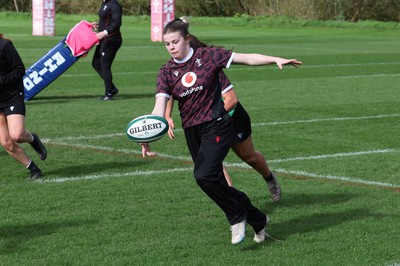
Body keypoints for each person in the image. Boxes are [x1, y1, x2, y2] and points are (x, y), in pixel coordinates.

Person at [141, 18, 301, 245]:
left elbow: (246, 58)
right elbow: (159, 109)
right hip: (192, 130)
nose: (171, 47)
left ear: (187, 39)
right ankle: (258, 219)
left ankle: (236, 218)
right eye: (167, 44)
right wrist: (147, 136)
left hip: (217, 123)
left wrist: (274, 59)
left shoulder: (208, 57)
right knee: (209, 179)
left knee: (203, 174)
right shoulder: (167, 72)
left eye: (175, 42)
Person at [165, 71, 282, 202]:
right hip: (206, 125)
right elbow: (170, 89)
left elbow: (231, 100)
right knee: (213, 164)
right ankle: (235, 204)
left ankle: (270, 179)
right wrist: (167, 115)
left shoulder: (209, 67)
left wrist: (212, 118)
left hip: (232, 118)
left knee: (249, 157)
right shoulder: (177, 69)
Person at [0, 34, 47, 180]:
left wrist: (1, 80)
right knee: (7, 142)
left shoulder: (4, 46)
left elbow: (20, 70)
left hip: (12, 96)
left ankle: (33, 139)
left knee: (17, 135)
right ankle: (34, 169)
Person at [91, 0, 123, 101]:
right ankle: (112, 88)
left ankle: (109, 93)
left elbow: (117, 22)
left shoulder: (114, 5)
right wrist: (98, 25)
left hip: (112, 40)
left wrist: (104, 32)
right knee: (96, 63)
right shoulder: (104, 3)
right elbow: (105, 20)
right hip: (103, 40)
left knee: (104, 65)